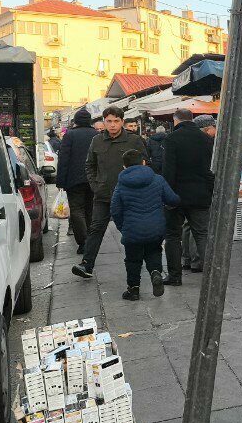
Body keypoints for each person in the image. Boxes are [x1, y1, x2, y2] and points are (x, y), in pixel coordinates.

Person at [73, 106, 148, 279]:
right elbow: (90, 165)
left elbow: (145, 164)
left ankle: (139, 262)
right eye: (109, 121)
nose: (112, 125)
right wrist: (95, 185)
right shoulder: (97, 140)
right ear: (104, 122)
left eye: (116, 121)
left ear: (122, 122)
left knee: (131, 230)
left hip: (128, 195)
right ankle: (86, 264)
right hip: (103, 194)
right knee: (96, 228)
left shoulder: (134, 140)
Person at [110, 150, 180, 301]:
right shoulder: (157, 179)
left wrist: (123, 227)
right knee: (153, 251)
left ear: (124, 166)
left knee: (132, 260)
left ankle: (133, 290)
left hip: (132, 229)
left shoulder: (121, 185)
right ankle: (155, 273)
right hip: (155, 227)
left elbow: (115, 210)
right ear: (143, 162)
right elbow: (173, 199)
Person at [162, 108, 214, 285]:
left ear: (175, 120)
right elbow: (210, 170)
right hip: (200, 195)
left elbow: (168, 171)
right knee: (202, 234)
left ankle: (175, 276)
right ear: (192, 119)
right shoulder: (206, 139)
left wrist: (167, 195)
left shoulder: (171, 139)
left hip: (176, 196)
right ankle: (211, 276)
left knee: (172, 236)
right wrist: (209, 191)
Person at [56, 108, 97, 254]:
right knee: (90, 209)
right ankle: (91, 241)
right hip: (93, 179)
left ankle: (83, 242)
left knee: (77, 210)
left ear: (76, 121)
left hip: (74, 180)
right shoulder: (96, 134)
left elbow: (64, 159)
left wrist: (60, 181)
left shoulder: (70, 135)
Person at [181, 115, 217, 271]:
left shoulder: (187, 141)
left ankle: (186, 259)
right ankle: (197, 261)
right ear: (208, 128)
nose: (215, 131)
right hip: (200, 190)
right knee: (200, 228)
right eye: (214, 127)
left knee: (188, 225)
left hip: (185, 189)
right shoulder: (205, 143)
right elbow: (207, 170)